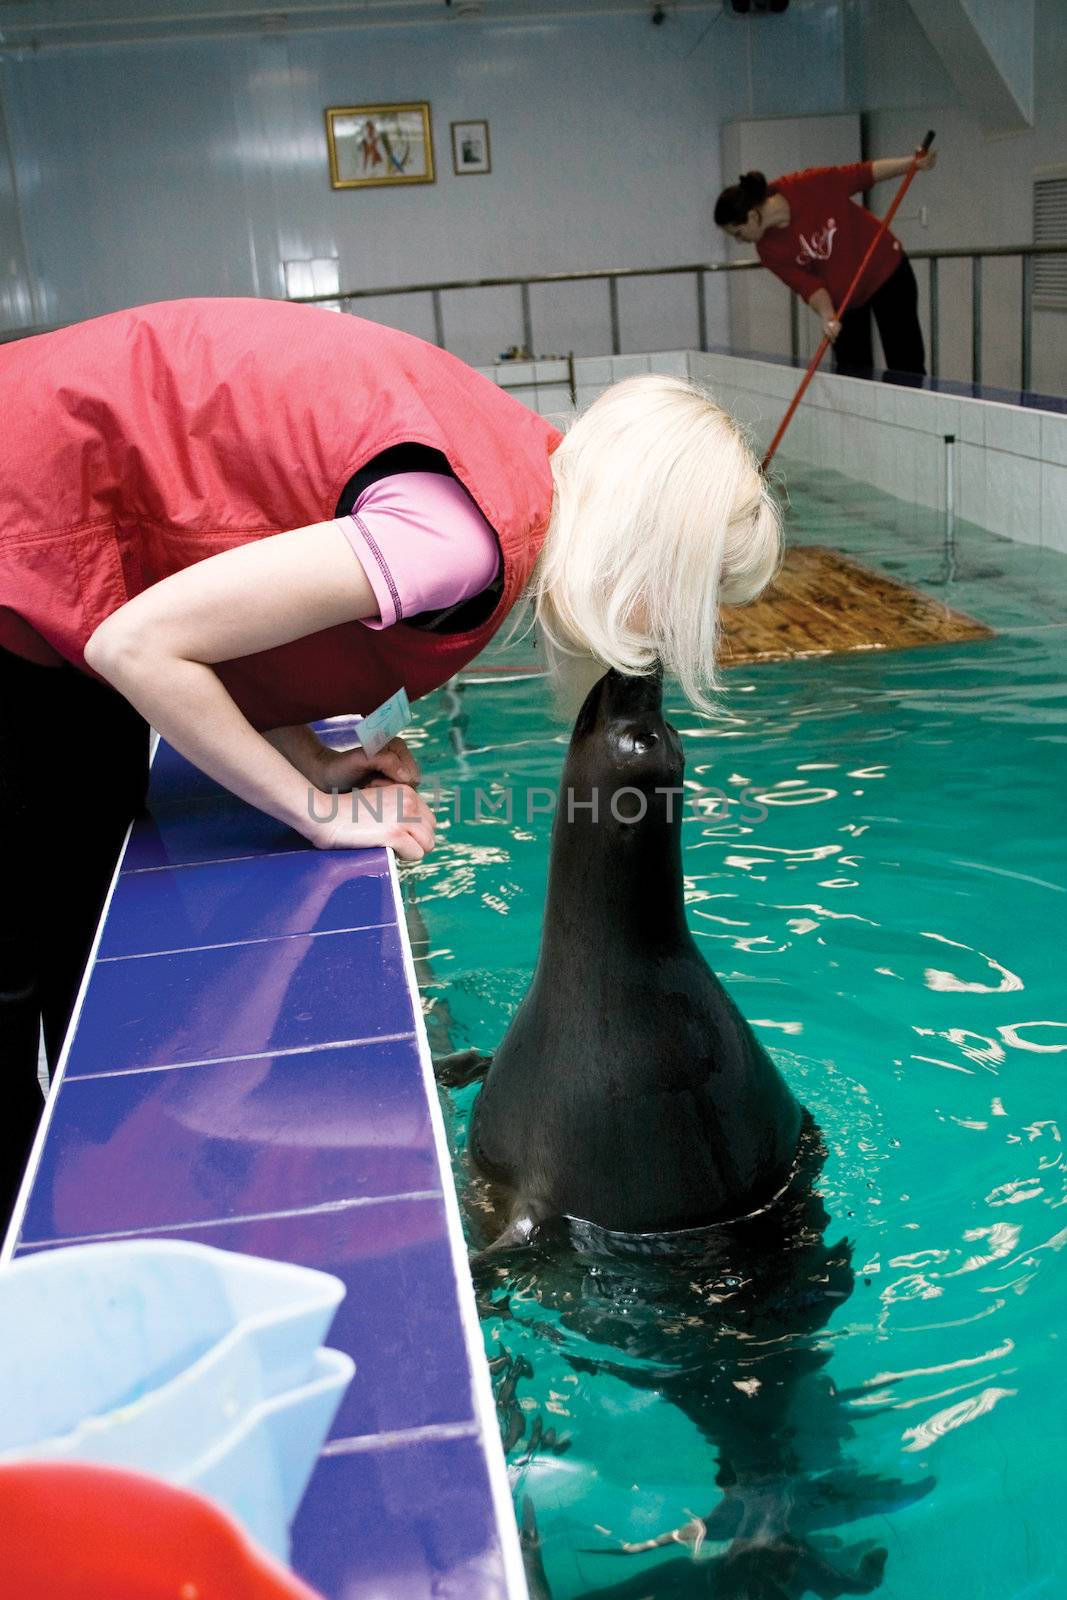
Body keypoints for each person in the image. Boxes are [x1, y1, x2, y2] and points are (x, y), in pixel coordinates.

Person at [0, 296, 780, 1218]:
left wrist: (309, 757)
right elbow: (137, 647)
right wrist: (315, 812)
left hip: (41, 530)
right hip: (22, 528)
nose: (692, 626)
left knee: (73, 908)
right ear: (651, 559)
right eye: (703, 596)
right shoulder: (457, 543)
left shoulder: (507, 463)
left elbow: (220, 574)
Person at [714, 150, 937, 380]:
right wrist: (828, 316)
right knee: (852, 373)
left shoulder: (807, 185)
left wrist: (911, 164)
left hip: (886, 272)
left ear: (752, 216)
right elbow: (809, 286)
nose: (740, 241)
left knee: (904, 364)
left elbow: (863, 175)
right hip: (845, 298)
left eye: (738, 233)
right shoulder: (768, 250)